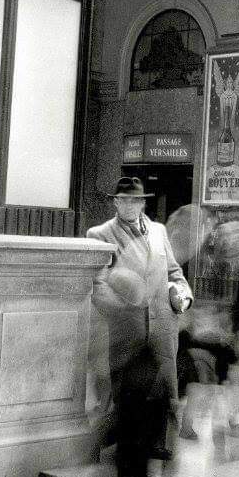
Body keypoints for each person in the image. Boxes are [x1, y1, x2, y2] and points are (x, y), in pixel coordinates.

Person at [87, 176, 193, 452]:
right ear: (116, 202)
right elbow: (97, 284)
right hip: (125, 328)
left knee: (166, 387)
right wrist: (122, 310)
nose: (131, 205)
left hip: (163, 324)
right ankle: (127, 447)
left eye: (136, 200)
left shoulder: (158, 231)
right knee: (127, 391)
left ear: (143, 202)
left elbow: (174, 273)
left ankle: (161, 445)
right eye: (125, 200)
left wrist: (183, 296)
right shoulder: (99, 235)